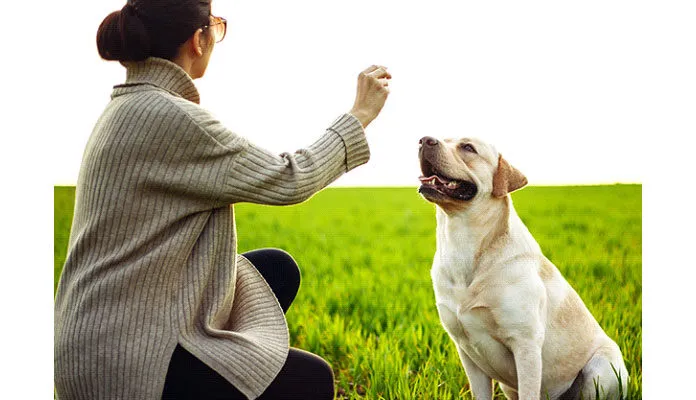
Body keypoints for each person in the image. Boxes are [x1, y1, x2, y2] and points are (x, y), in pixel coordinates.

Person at [53, 0, 390, 399]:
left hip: (92, 339)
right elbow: (290, 178)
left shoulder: (126, 106)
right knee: (312, 378)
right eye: (216, 26)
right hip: (129, 358)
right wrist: (360, 115)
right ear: (198, 39)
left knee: (275, 270)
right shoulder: (170, 116)